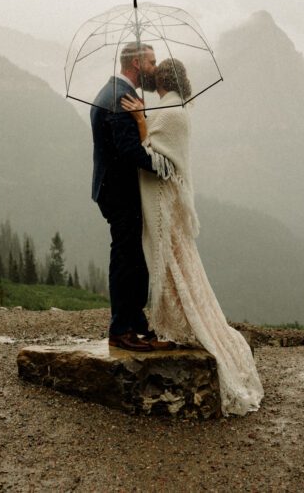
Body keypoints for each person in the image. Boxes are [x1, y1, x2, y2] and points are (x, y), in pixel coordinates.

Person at [120, 58, 264, 415]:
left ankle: (182, 321)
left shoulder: (169, 113)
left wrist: (139, 119)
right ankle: (176, 319)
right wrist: (145, 117)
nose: (151, 75)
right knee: (178, 259)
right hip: (168, 197)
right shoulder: (175, 108)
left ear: (162, 80)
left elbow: (155, 157)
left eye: (155, 71)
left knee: (171, 259)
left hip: (163, 199)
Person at [90, 41, 173, 352]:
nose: (155, 68)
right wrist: (165, 167)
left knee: (133, 256)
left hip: (115, 189)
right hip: (119, 192)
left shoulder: (117, 93)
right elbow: (129, 152)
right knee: (126, 258)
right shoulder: (120, 100)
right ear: (137, 64)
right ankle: (121, 329)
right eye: (151, 62)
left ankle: (135, 323)